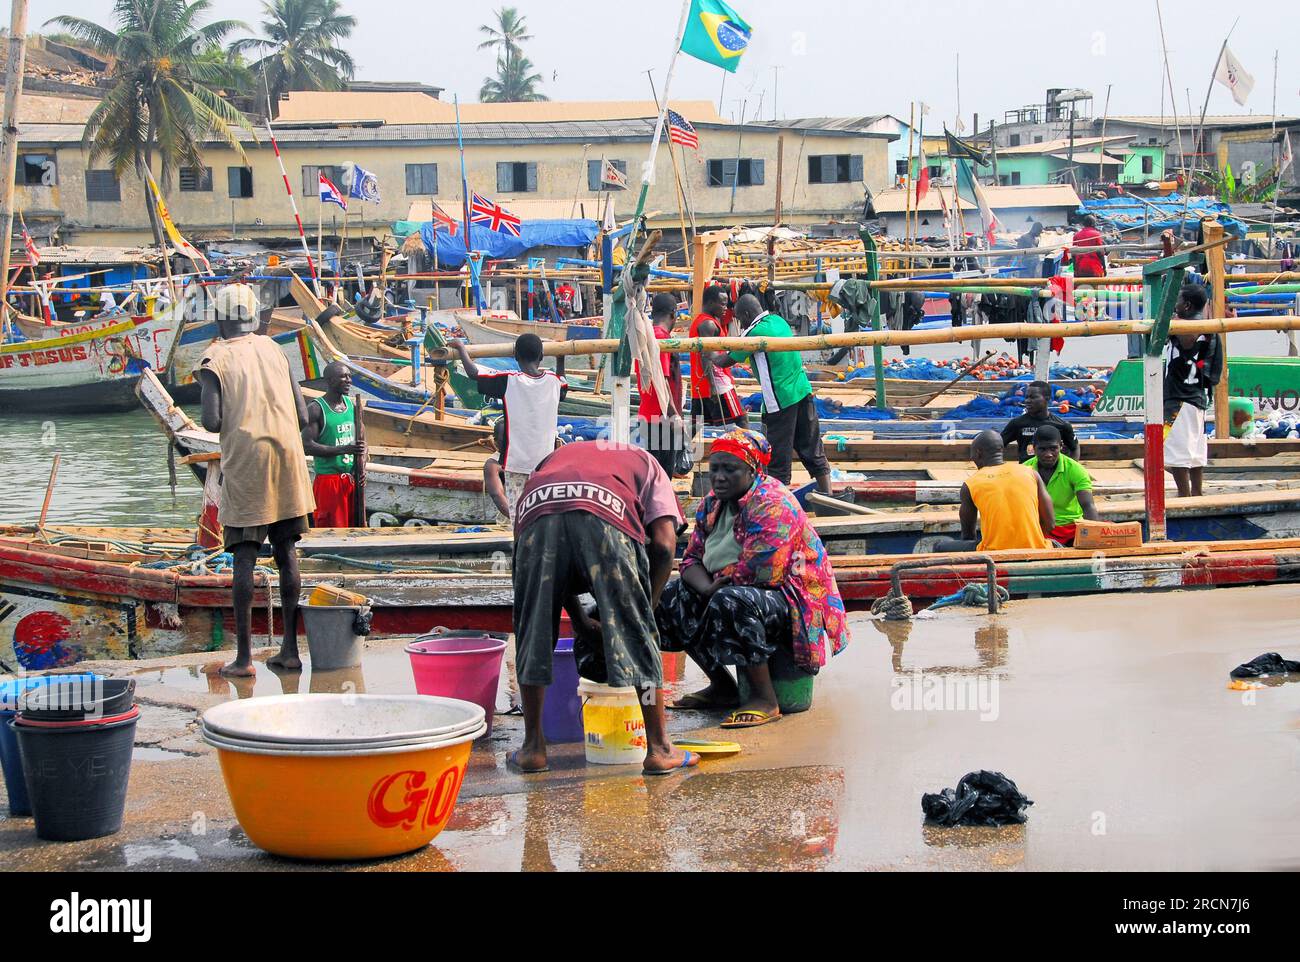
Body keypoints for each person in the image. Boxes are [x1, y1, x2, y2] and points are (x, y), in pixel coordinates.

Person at [510, 441, 698, 777]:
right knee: (639, 637)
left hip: (536, 513)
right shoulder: (650, 463)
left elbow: (555, 569)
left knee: (532, 629)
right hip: (606, 513)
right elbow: (665, 545)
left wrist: (580, 619)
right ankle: (659, 748)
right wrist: (647, 610)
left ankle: (532, 748)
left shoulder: (552, 459)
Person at [656, 430, 849, 729]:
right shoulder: (712, 504)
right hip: (733, 587)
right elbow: (691, 560)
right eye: (714, 469)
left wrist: (714, 584)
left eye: (729, 470)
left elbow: (763, 572)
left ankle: (765, 699)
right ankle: (721, 686)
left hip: (793, 598)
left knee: (732, 600)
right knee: (671, 598)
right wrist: (706, 586)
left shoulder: (772, 503)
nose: (719, 477)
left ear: (752, 470)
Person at [197, 284, 315, 676]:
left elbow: (212, 421)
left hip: (248, 462)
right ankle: (289, 651)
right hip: (288, 457)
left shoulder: (215, 357)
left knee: (244, 556)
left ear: (220, 319)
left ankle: (245, 658)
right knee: (287, 552)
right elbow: (302, 416)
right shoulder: (273, 349)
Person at [716, 293, 832, 494]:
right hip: (803, 391)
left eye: (739, 318)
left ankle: (777, 504)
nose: (740, 323)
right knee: (811, 446)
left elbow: (726, 360)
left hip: (780, 401)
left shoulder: (753, 332)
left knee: (777, 456)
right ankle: (828, 493)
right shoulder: (778, 321)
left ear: (745, 314)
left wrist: (707, 353)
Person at [450, 333, 567, 520]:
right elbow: (562, 383)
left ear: (516, 357)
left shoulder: (509, 380)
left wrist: (461, 349)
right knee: (542, 513)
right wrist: (561, 357)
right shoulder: (554, 381)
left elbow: (474, 373)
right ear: (542, 357)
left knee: (518, 515)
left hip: (516, 463)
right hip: (545, 463)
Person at [935, 431, 1055, 553]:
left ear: (978, 453)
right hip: (1035, 548)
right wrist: (1030, 539)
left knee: (939, 546)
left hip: (994, 552)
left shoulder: (971, 484)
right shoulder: (1031, 473)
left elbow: (968, 536)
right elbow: (1050, 523)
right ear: (1001, 450)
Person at [1164, 284, 1223, 498]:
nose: (1175, 305)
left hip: (1179, 398)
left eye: (1177, 301)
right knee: (1195, 453)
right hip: (1197, 398)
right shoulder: (1209, 330)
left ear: (1186, 305)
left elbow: (1174, 331)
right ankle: (1196, 494)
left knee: (1177, 453)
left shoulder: (1183, 328)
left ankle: (1185, 497)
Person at [301, 362, 366, 529]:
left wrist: (362, 466)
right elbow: (307, 446)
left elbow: (363, 443)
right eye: (343, 377)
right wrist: (344, 449)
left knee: (355, 529)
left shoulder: (352, 406)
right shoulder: (316, 409)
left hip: (352, 479)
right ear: (329, 381)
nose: (348, 380)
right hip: (329, 482)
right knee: (330, 529)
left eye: (349, 376)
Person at [635, 293, 687, 477]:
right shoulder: (660, 338)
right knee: (662, 477)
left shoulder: (647, 336)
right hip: (662, 418)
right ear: (674, 315)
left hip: (649, 415)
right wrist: (675, 416)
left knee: (653, 474)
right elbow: (661, 381)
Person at [1024, 425, 1099, 546]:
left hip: (1070, 528)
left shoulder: (1075, 469)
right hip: (1039, 528)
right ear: (1034, 448)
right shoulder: (1024, 470)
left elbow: (1088, 506)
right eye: (1042, 449)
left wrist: (1094, 538)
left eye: (1053, 449)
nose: (1048, 454)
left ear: (1061, 446)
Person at [688, 284, 748, 428]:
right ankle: (747, 450)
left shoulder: (701, 321)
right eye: (722, 304)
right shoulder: (708, 324)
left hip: (700, 385)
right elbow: (706, 356)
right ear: (710, 303)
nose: (725, 308)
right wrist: (713, 387)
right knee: (741, 420)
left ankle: (692, 451)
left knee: (700, 429)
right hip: (717, 383)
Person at [1001, 381, 1081, 463]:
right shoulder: (1017, 424)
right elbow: (997, 445)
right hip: (1027, 473)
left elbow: (1075, 448)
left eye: (1033, 397)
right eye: (1027, 397)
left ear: (1047, 398)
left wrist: (1072, 468)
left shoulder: (1062, 425)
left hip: (1052, 474)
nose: (1027, 401)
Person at [482, 418, 512, 519]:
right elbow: (497, 495)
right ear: (495, 441)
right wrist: (518, 519)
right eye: (504, 440)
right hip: (511, 521)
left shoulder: (526, 458)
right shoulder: (493, 464)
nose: (508, 443)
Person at [1070, 214, 1108, 278]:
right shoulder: (1096, 234)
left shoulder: (1076, 235)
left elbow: (1073, 254)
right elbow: (1100, 254)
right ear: (1094, 223)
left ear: (1084, 224)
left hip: (1080, 269)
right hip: (1094, 269)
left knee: (1080, 287)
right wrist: (1104, 268)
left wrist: (1075, 269)